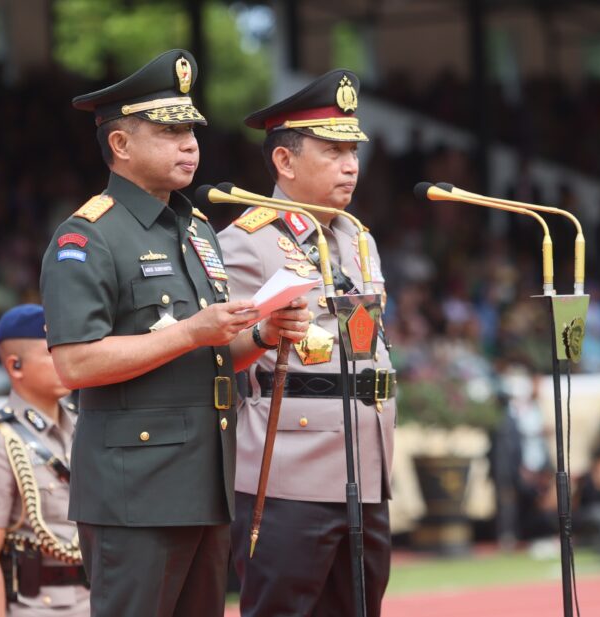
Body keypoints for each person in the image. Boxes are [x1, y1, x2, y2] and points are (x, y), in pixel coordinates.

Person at [38, 50, 310, 617]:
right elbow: (76, 365)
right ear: (120, 145)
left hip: (203, 483)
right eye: (169, 131)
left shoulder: (195, 228)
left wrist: (260, 336)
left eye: (191, 131)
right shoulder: (88, 237)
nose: (190, 144)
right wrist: (192, 332)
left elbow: (208, 355)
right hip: (134, 493)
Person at [218, 69, 397, 616]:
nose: (350, 165)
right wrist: (262, 333)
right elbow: (216, 355)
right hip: (288, 473)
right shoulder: (245, 243)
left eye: (354, 151)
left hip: (366, 469)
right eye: (333, 150)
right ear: (284, 161)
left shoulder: (358, 240)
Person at [0, 304, 89, 616]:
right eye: (52, 352)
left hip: (99, 601)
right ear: (15, 366)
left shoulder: (87, 425)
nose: (65, 359)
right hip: (35, 607)